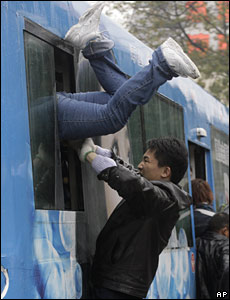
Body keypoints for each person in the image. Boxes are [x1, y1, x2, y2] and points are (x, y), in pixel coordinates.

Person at [57, 2, 200, 140]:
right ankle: (95, 46)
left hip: (45, 108)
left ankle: (162, 65)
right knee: (115, 108)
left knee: (114, 110)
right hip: (50, 104)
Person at [76, 136, 192, 299]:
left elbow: (135, 185)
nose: (140, 165)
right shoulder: (158, 195)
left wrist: (93, 158)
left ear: (165, 172)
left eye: (146, 161)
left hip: (119, 288)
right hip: (115, 284)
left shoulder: (163, 199)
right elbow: (134, 175)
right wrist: (107, 155)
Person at [196, 212, 229, 299]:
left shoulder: (199, 243)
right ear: (224, 231)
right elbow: (226, 272)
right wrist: (222, 295)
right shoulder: (225, 245)